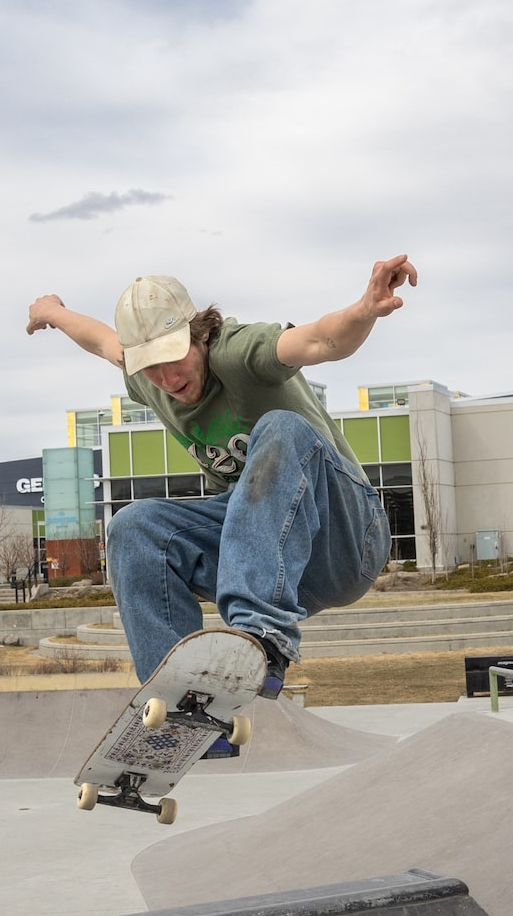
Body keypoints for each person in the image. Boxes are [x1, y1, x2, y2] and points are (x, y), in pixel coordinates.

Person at [27, 254, 417, 754]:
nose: (167, 379)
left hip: (347, 542)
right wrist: (53, 311)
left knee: (280, 427)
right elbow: (101, 339)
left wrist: (366, 308)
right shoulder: (147, 377)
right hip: (270, 557)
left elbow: (321, 339)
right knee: (133, 527)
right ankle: (183, 706)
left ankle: (260, 638)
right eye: (152, 369)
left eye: (176, 359)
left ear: (200, 334)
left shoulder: (238, 351)